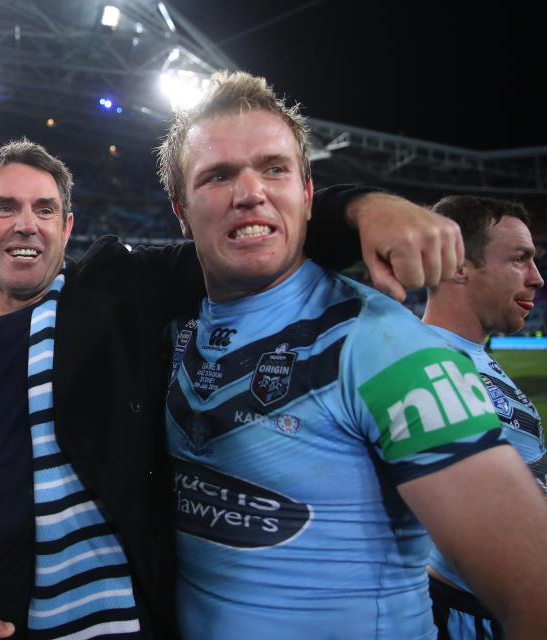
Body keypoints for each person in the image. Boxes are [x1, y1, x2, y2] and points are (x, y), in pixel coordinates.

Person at [0, 134, 466, 639]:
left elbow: (241, 237)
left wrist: (362, 208)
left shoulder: (121, 295)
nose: (25, 225)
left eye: (44, 210)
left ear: (66, 228)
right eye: (5, 208)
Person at [158, 69, 547, 639]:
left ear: (309, 193)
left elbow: (534, 592)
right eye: (217, 176)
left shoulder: (384, 345)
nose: (250, 192)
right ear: (180, 211)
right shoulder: (171, 323)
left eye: (274, 168)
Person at [421, 195, 546, 640]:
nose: (537, 278)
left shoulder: (466, 355)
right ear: (458, 265)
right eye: (520, 259)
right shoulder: (425, 368)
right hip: (473, 619)